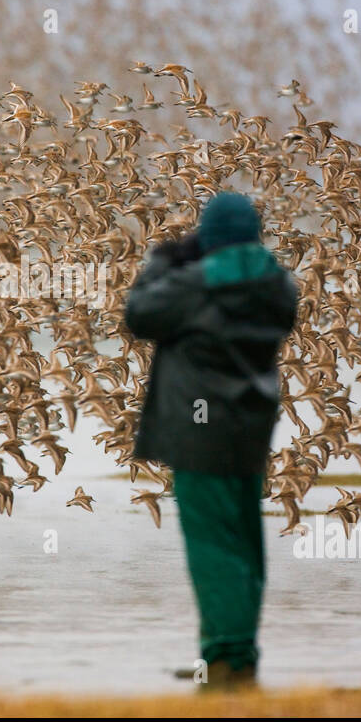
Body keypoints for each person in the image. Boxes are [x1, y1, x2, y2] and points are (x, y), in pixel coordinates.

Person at [124, 191, 298, 690]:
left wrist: (162, 263)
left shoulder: (198, 283)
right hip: (249, 427)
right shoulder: (278, 284)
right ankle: (237, 657)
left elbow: (139, 314)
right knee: (243, 541)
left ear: (211, 237)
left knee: (212, 546)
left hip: (200, 432)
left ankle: (223, 662)